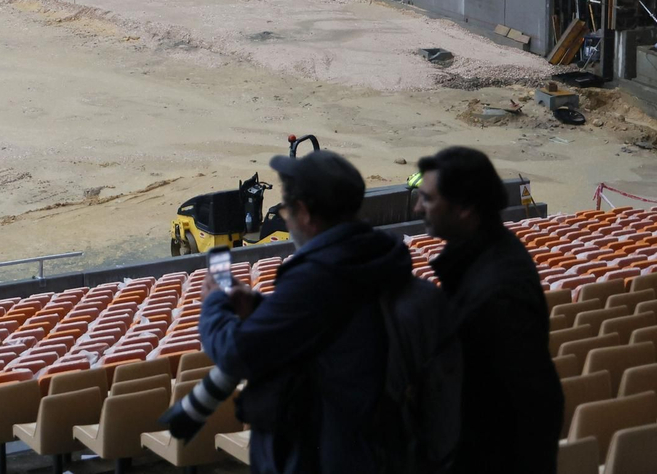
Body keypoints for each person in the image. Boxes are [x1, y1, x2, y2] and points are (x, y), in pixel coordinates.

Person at [198, 150, 413, 474]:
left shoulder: (317, 277)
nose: (285, 217)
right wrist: (259, 306)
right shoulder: (372, 258)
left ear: (306, 214)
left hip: (332, 454)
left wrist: (214, 303)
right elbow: (327, 321)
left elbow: (235, 353)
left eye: (286, 209)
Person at [416, 147, 561, 474]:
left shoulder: (498, 295)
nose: (417, 207)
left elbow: (537, 407)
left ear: (465, 207)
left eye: (427, 199)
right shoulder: (487, 258)